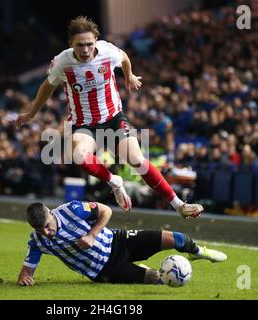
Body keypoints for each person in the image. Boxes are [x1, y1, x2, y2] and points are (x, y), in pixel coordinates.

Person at [14, 16, 203, 218]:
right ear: (71, 44)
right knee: (78, 156)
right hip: (83, 124)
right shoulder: (62, 63)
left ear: (96, 40)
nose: (85, 50)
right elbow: (47, 87)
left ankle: (179, 205)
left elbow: (123, 58)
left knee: (137, 160)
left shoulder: (107, 51)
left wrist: (129, 76)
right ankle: (114, 181)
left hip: (113, 118)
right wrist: (32, 113)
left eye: (89, 44)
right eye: (80, 45)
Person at [17, 201, 227, 286]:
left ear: (51, 214)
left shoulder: (72, 209)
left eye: (46, 226)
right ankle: (144, 270)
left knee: (177, 239)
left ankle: (198, 251)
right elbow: (26, 272)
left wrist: (91, 235)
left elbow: (106, 211)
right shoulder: (37, 242)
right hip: (105, 271)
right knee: (159, 279)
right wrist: (25, 278)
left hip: (119, 241)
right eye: (39, 230)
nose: (46, 233)